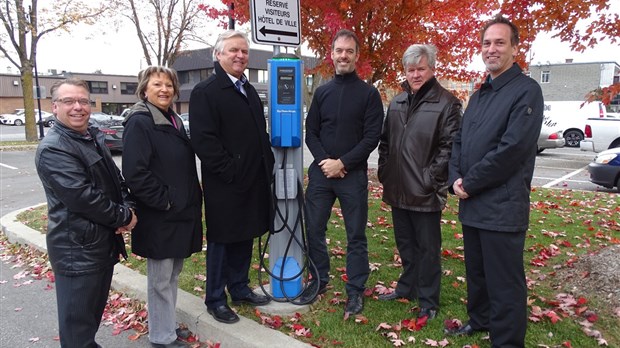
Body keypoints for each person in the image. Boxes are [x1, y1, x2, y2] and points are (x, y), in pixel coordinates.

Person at [446, 15, 543, 347]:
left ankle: (506, 340)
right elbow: (460, 140)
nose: (492, 49)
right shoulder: (480, 93)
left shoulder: (526, 91)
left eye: (500, 42)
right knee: (477, 273)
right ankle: (480, 320)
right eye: (487, 43)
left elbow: (511, 149)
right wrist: (454, 178)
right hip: (473, 203)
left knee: (505, 282)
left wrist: (469, 182)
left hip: (502, 206)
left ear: (515, 48)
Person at [35, 78, 137, 348]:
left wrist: (129, 206)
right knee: (77, 329)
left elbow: (116, 179)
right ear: (55, 107)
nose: (78, 107)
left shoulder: (90, 136)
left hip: (98, 246)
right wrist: (123, 217)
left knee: (88, 322)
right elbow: (82, 198)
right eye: (69, 101)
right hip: (77, 252)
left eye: (83, 101)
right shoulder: (54, 147)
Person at [189, 30, 274, 324]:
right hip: (225, 185)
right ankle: (215, 298)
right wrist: (232, 172)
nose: (240, 56)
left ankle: (239, 288)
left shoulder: (248, 90)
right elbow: (204, 141)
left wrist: (268, 164)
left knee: (245, 236)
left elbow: (257, 135)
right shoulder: (206, 92)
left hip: (253, 181)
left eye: (244, 51)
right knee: (223, 241)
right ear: (218, 54)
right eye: (233, 50)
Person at [300, 29, 384, 316]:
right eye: (339, 50)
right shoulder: (322, 92)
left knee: (356, 235)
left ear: (357, 56)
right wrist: (326, 162)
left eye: (349, 51)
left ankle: (355, 291)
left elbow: (371, 137)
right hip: (322, 175)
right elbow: (311, 133)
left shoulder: (369, 94)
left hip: (353, 176)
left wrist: (343, 163)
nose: (344, 55)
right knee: (313, 229)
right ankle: (318, 279)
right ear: (332, 54)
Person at [377, 44, 462, 320]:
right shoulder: (398, 102)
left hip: (424, 192)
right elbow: (386, 142)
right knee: (405, 245)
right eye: (410, 70)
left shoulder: (447, 103)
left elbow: (449, 148)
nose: (415, 75)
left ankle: (428, 301)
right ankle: (407, 287)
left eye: (421, 69)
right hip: (397, 188)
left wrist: (430, 180)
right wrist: (385, 171)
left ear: (432, 69)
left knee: (427, 250)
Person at [122, 66, 203, 348]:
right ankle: (161, 337)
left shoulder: (173, 119)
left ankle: (166, 326)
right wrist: (166, 201)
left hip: (178, 214)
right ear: (145, 89)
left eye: (169, 85)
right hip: (161, 216)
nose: (164, 90)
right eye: (157, 84)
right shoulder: (140, 122)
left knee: (172, 276)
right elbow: (135, 173)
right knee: (160, 280)